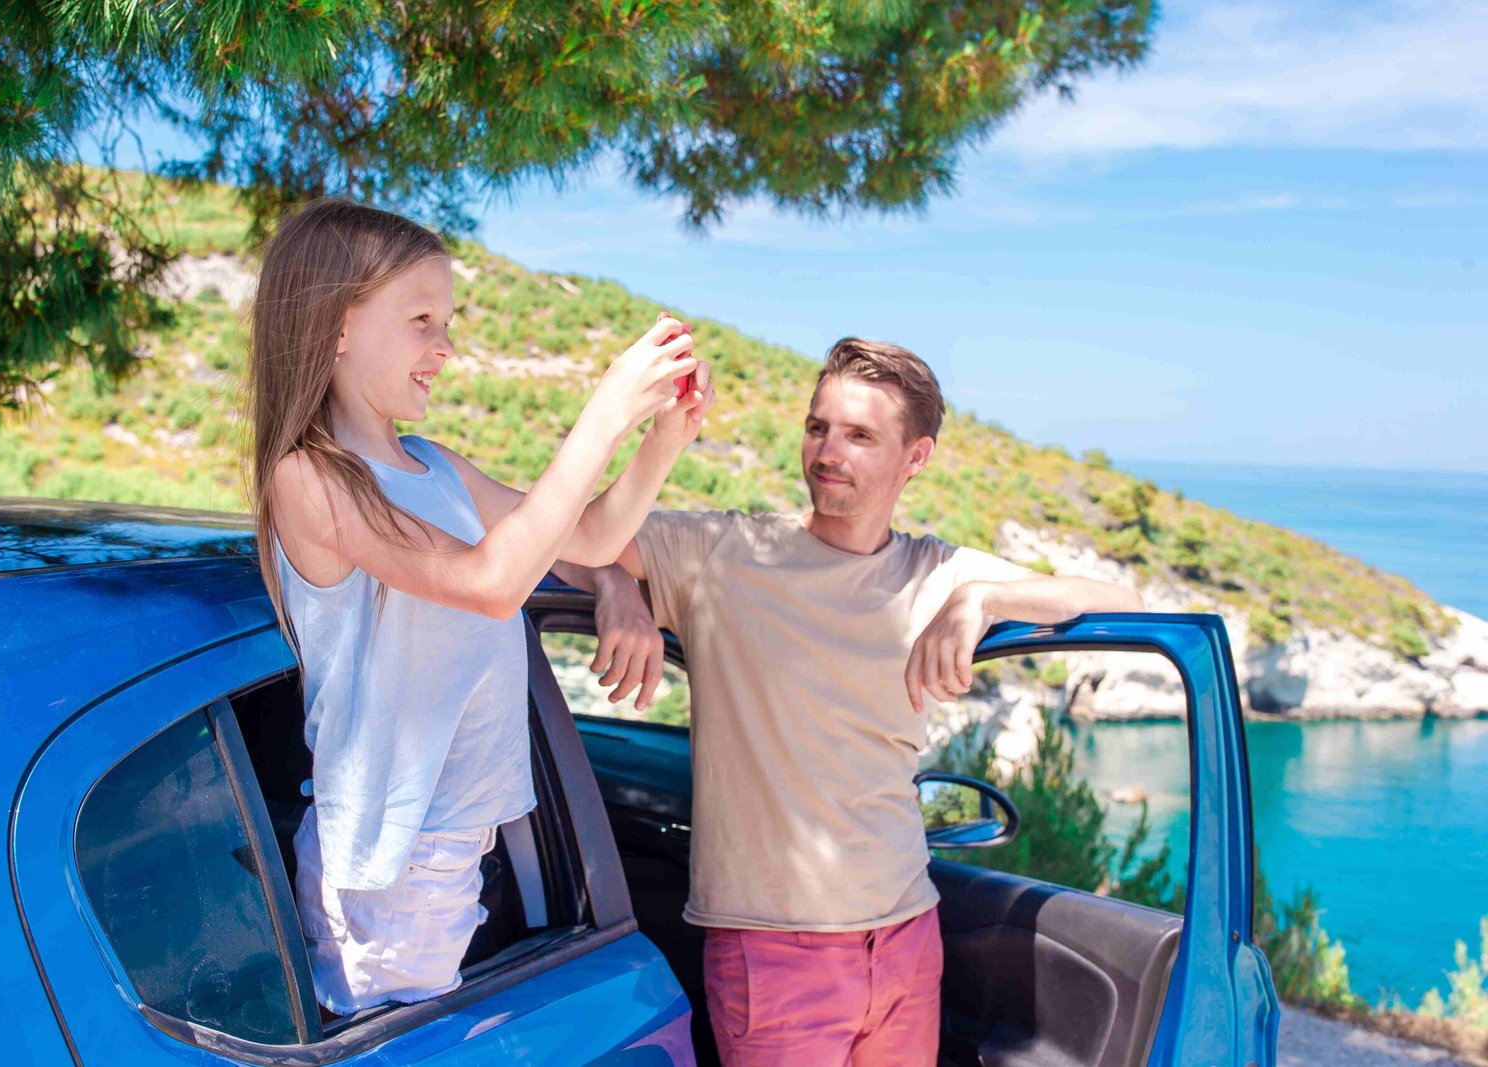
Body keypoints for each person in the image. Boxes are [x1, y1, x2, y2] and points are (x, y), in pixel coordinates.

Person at [597, 337, 1144, 1064]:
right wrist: (616, 587)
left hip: (907, 937)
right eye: (819, 426)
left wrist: (987, 597)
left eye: (860, 435)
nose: (829, 451)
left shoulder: (938, 572)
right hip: (771, 950)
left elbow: (1122, 600)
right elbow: (568, 539)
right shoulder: (722, 553)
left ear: (914, 457)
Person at [246, 198, 715, 1014]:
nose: (446, 347)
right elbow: (493, 581)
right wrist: (602, 414)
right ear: (337, 325)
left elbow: (592, 535)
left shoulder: (431, 464)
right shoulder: (310, 477)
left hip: (445, 850)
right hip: (386, 866)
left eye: (448, 320)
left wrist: (661, 438)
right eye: (421, 319)